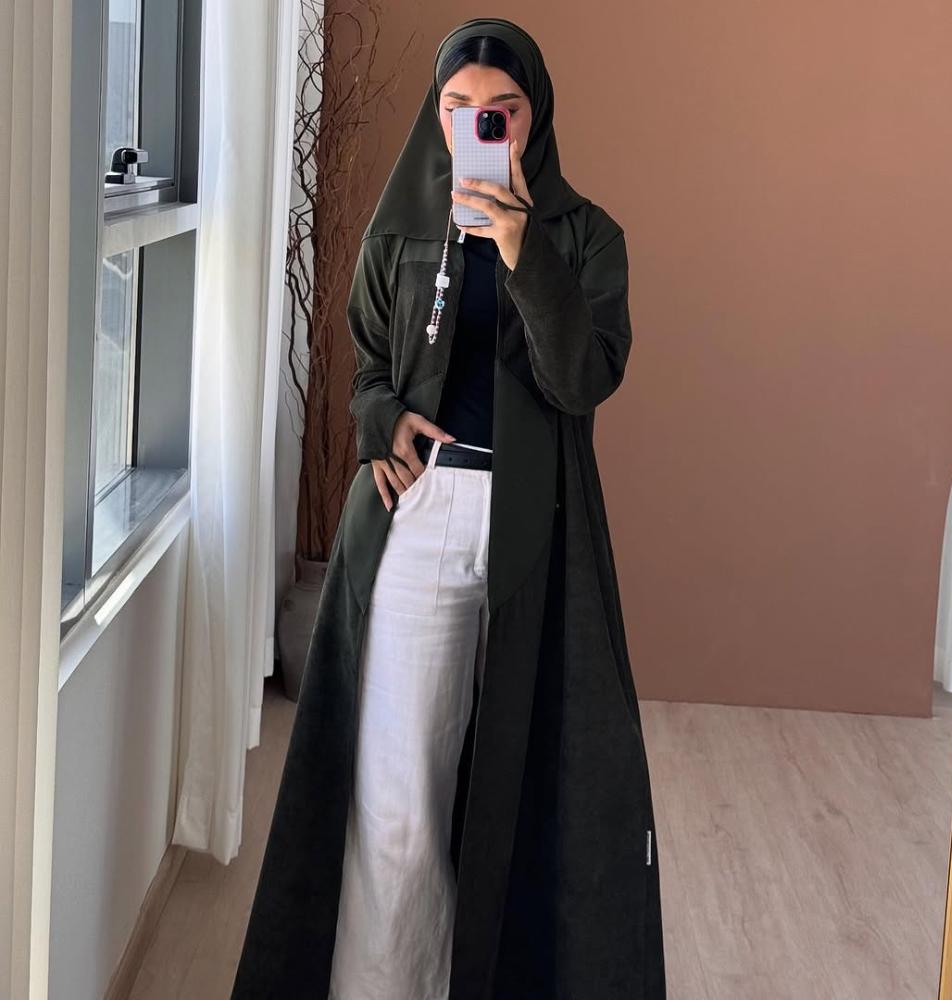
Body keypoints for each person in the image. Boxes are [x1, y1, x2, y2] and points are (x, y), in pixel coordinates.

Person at [232, 17, 666, 1000]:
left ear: (534, 117)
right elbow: (367, 371)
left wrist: (519, 246)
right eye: (459, 108)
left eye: (501, 112)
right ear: (437, 116)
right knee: (396, 802)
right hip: (417, 512)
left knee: (532, 791)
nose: (480, 126)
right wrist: (381, 419)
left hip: (536, 527)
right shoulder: (397, 231)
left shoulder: (586, 238)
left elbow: (583, 379)